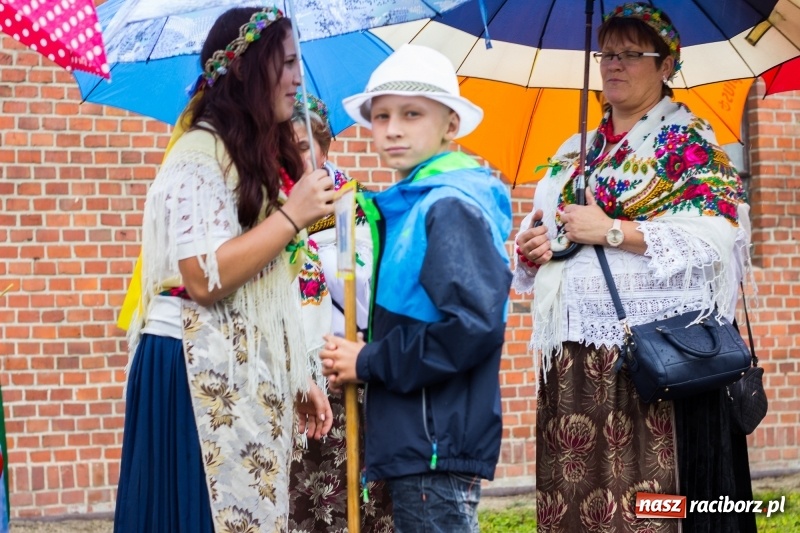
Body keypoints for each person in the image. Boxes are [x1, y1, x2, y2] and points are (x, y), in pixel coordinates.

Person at [513, 3, 754, 532]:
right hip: (576, 357)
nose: (613, 65)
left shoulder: (687, 145)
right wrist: (537, 245)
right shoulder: (576, 151)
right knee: (579, 497)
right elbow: (553, 228)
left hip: (656, 359)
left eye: (631, 54)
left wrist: (613, 230)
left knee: (650, 501)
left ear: (667, 66)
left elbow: (715, 241)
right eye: (606, 53)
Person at [113, 7, 335, 532]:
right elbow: (202, 279)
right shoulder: (197, 154)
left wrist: (294, 374)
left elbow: (257, 284)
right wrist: (291, 215)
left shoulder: (246, 157)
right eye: (285, 62)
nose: (298, 77)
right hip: (188, 371)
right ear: (248, 69)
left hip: (237, 370)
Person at [320, 44, 513, 532]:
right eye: (380, 116)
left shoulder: (447, 206)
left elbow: (472, 327)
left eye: (411, 114)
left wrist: (369, 361)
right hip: (419, 442)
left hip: (434, 445)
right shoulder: (415, 205)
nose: (393, 129)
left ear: (451, 124)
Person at [288, 94, 393, 532]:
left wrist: (311, 251)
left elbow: (366, 293)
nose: (290, 156)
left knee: (351, 505)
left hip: (344, 373)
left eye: (299, 144)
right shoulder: (265, 208)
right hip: (292, 378)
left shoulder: (353, 206)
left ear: (324, 148)